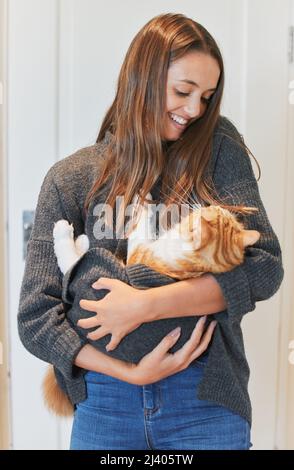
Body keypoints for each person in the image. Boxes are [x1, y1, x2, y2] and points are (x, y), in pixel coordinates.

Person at [18, 13, 284, 450]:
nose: (194, 110)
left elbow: (264, 268)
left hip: (205, 398)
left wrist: (145, 306)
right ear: (142, 78)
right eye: (182, 91)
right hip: (105, 401)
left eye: (207, 96)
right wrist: (130, 372)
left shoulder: (216, 150)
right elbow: (35, 318)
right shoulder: (71, 179)